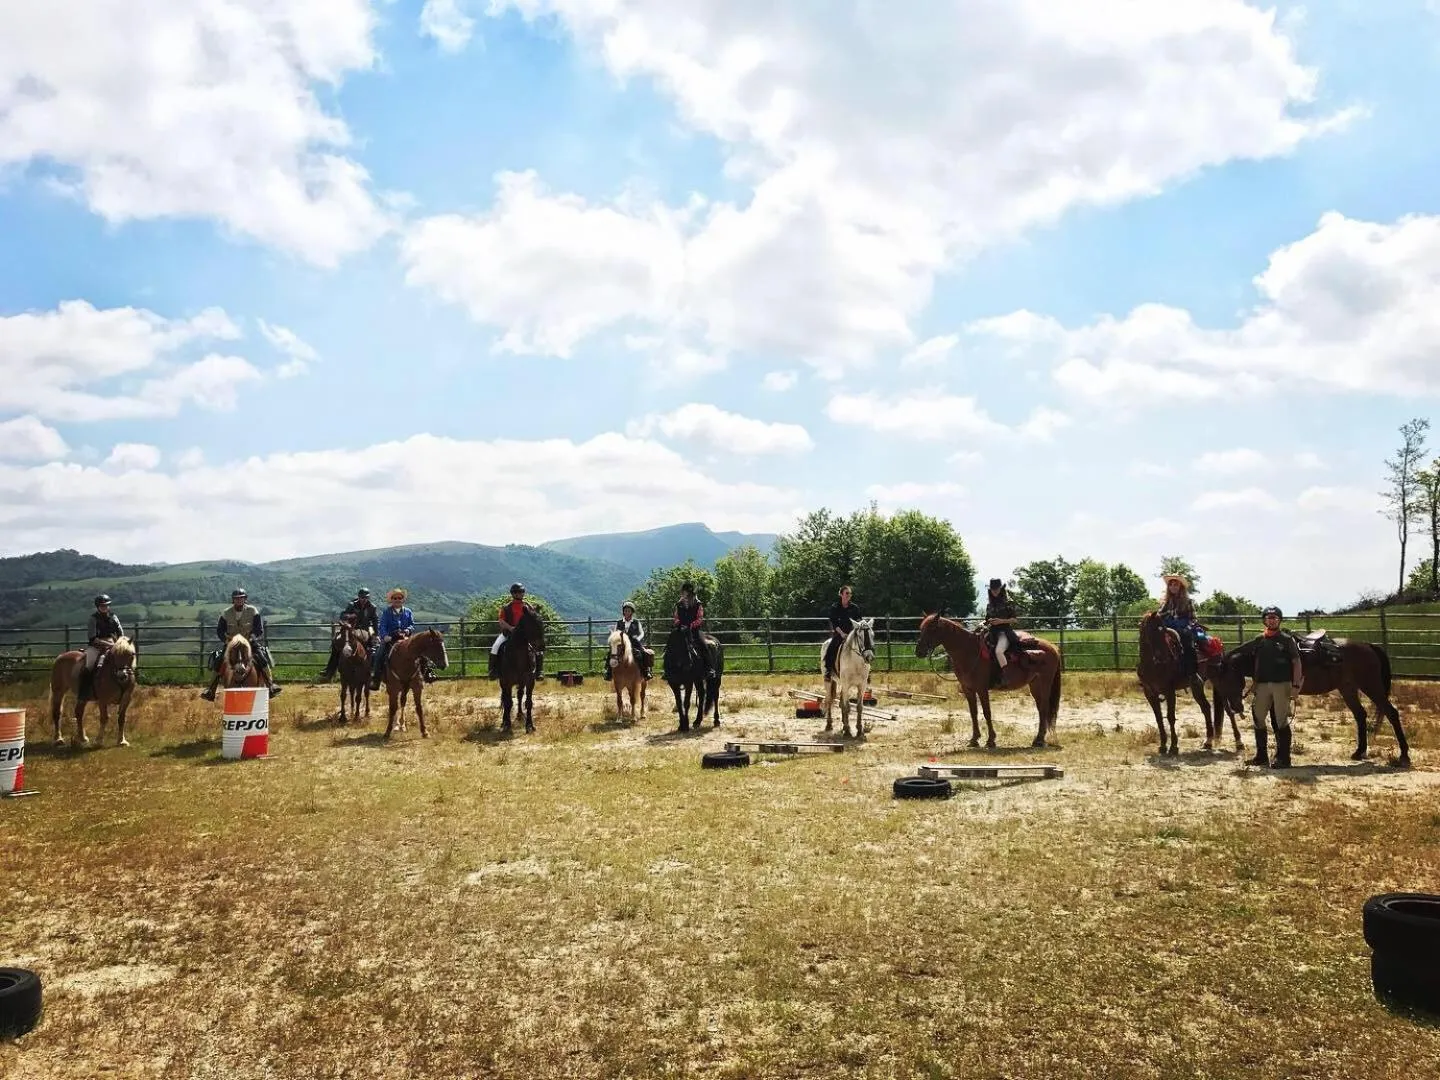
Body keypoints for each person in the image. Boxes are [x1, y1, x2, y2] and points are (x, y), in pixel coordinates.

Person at [1246, 605, 1303, 769]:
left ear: (1279, 620)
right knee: (1258, 717)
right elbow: (1256, 662)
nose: (1271, 621)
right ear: (1264, 620)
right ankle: (1261, 756)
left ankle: (1284, 758)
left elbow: (1296, 662)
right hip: (1262, 685)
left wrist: (1296, 685)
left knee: (1280, 720)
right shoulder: (1259, 640)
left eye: (1275, 618)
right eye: (1268, 618)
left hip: (1282, 684)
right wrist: (1254, 683)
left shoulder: (1287, 640)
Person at [201, 588, 281, 700]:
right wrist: (226, 640)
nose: (239, 600)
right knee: (219, 660)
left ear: (245, 599)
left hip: (249, 642)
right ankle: (211, 689)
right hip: (231, 643)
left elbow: (259, 629)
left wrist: (252, 638)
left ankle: (271, 685)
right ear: (233, 600)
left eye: (241, 598)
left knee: (262, 658)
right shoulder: (226, 613)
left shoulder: (253, 611)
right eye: (236, 599)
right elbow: (220, 630)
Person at [319, 587, 379, 682]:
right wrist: (349, 617)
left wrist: (376, 634)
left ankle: (372, 670)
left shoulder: (372, 607)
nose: (364, 599)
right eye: (362, 597)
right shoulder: (352, 605)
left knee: (374, 646)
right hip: (351, 628)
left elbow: (375, 621)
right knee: (336, 643)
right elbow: (343, 615)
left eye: (366, 597)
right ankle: (330, 670)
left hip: (365, 629)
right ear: (359, 597)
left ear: (368, 598)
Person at [1158, 573, 1210, 678]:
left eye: (1175, 585)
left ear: (1180, 587)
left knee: (1187, 643)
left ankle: (1192, 674)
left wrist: (1188, 627)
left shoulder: (1188, 601)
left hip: (1183, 628)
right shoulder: (1166, 602)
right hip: (1168, 628)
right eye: (1170, 585)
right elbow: (1159, 615)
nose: (1173, 587)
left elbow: (1193, 618)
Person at [79, 594, 124, 705]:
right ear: (98, 607)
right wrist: (108, 644)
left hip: (113, 644)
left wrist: (119, 644)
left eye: (106, 605)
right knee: (89, 666)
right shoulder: (93, 619)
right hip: (96, 646)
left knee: (123, 662)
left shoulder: (114, 617)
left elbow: (120, 633)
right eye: (102, 606)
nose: (104, 607)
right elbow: (92, 638)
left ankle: (124, 690)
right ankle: (84, 693)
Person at [490, 583, 541, 679]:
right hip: (509, 633)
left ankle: (539, 672)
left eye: (521, 592)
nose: (520, 594)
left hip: (525, 635)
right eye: (518, 592)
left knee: (538, 649)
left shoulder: (528, 606)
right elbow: (501, 621)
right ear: (513, 594)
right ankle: (493, 671)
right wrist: (510, 628)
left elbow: (533, 619)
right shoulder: (506, 607)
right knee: (495, 647)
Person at [371, 588, 415, 691]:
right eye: (395, 598)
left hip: (405, 638)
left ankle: (426, 673)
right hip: (390, 639)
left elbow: (412, 625)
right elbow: (382, 626)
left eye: (399, 598)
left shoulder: (408, 612)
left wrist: (408, 630)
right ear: (391, 600)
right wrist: (385, 636)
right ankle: (376, 679)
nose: (397, 600)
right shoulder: (387, 612)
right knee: (379, 654)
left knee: (419, 651)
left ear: (403, 599)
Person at [984, 578, 1022, 684]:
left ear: (1001, 589)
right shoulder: (989, 605)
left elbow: (1014, 619)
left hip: (1004, 632)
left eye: (996, 589)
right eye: (993, 589)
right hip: (992, 633)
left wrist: (1001, 621)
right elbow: (986, 619)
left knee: (999, 651)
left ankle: (1007, 676)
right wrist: (984, 623)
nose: (994, 591)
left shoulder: (1008, 603)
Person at [673, 581, 713, 679]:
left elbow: (700, 618)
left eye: (684, 592)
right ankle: (669, 669)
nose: (683, 593)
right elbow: (676, 617)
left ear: (689, 592)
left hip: (694, 630)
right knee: (671, 644)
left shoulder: (698, 604)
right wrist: (679, 624)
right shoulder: (679, 604)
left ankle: (709, 668)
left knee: (703, 644)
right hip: (681, 629)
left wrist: (690, 626)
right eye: (682, 592)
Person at [824, 585, 863, 680]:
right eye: (847, 593)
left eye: (850, 593)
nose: (849, 595)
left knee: (864, 646)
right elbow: (834, 622)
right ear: (841, 594)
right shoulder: (835, 607)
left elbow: (859, 620)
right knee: (831, 647)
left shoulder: (855, 608)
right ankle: (828, 670)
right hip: (839, 633)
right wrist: (842, 633)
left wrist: (855, 632)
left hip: (852, 634)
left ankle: (865, 671)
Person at [605, 601, 652, 681]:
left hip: (634, 643)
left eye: (628, 611)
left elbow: (642, 633)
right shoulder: (619, 622)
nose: (627, 612)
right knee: (611, 653)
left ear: (632, 612)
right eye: (625, 610)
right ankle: (608, 672)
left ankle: (646, 672)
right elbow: (615, 633)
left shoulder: (636, 622)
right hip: (621, 644)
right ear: (623, 612)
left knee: (642, 653)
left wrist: (638, 639)